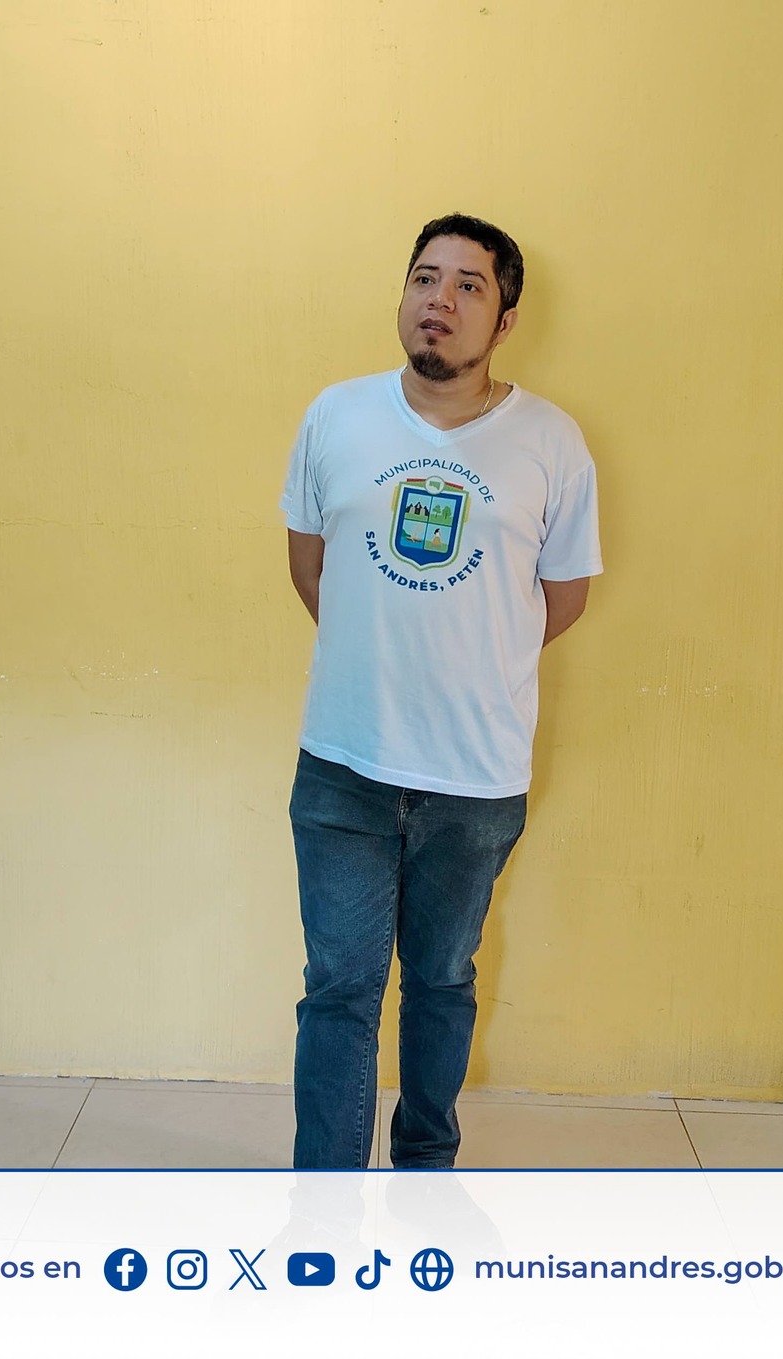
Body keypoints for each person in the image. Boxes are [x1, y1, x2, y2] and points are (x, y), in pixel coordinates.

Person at [280, 214, 602, 1168]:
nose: (441, 300)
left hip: (475, 774)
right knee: (339, 988)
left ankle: (425, 1170)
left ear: (504, 321)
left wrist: (472, 661)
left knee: (441, 982)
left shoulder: (551, 441)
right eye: (425, 278)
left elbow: (564, 597)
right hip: (343, 762)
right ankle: (327, 1199)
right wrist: (385, 651)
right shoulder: (336, 415)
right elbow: (311, 569)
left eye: (469, 286)